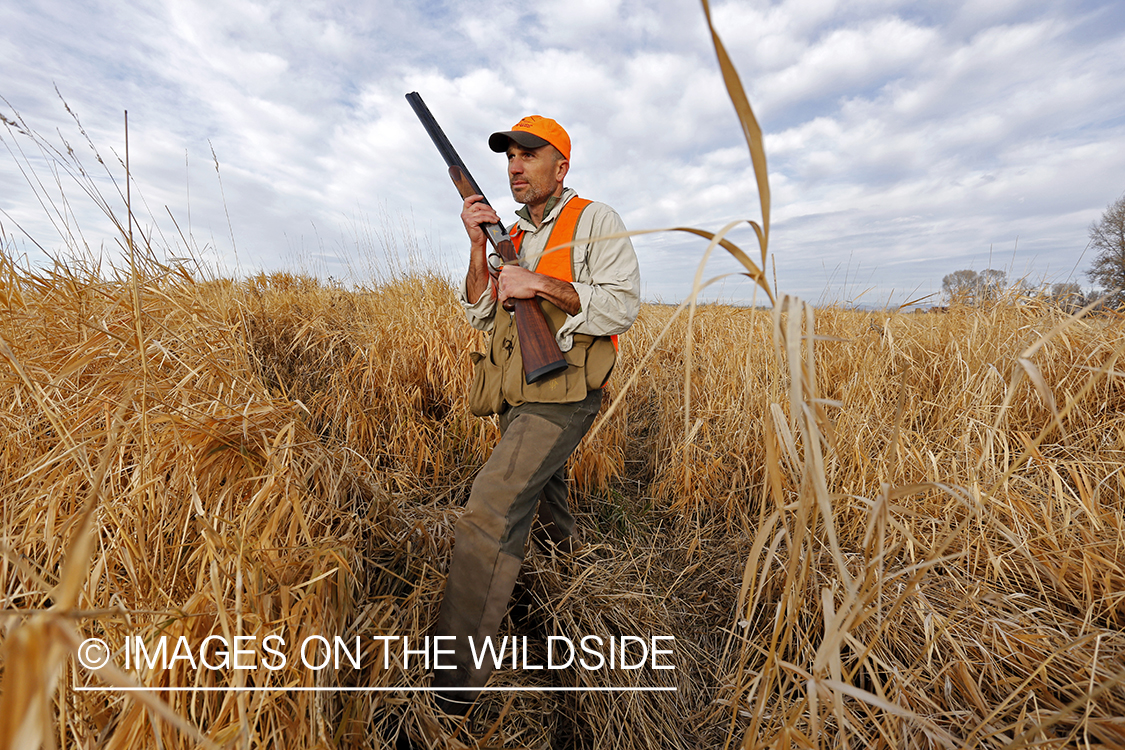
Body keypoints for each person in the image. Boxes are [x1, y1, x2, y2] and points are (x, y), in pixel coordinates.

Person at [431, 115, 641, 714]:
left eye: (529, 154)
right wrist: (480, 249)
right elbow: (478, 309)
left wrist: (539, 284)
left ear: (561, 166)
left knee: (489, 509)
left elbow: (622, 306)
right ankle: (566, 597)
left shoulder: (595, 220)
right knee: (541, 501)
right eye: (509, 156)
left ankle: (454, 687)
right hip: (516, 392)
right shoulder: (510, 234)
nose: (515, 166)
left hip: (565, 392)